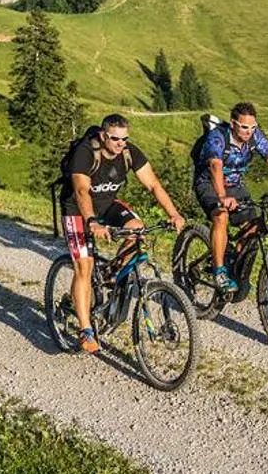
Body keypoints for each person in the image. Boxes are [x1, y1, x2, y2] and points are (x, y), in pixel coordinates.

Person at [60, 113, 186, 354]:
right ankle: (86, 331)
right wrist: (92, 223)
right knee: (84, 266)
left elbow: (153, 185)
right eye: (115, 139)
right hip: (77, 209)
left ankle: (110, 275)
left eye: (124, 139)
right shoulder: (86, 153)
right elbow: (82, 191)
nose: (121, 144)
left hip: (107, 204)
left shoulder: (128, 153)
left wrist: (174, 214)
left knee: (137, 230)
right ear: (103, 135)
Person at [192, 101, 268, 293]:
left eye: (252, 127)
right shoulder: (218, 137)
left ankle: (236, 267)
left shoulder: (255, 138)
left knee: (257, 225)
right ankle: (219, 272)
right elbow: (215, 166)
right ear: (233, 123)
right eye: (244, 127)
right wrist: (222, 196)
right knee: (221, 216)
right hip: (209, 183)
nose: (248, 131)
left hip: (236, 186)